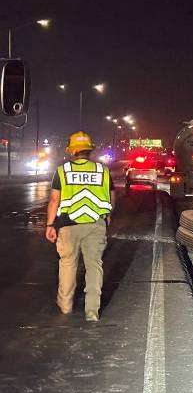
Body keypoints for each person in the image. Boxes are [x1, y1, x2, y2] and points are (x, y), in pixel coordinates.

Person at [44, 131, 115, 321]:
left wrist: (50, 224)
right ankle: (92, 311)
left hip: (68, 226)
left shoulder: (62, 170)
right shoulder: (102, 171)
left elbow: (54, 200)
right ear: (89, 150)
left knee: (67, 264)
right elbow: (111, 198)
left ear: (72, 150)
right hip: (95, 224)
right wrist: (107, 216)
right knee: (94, 266)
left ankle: (65, 306)